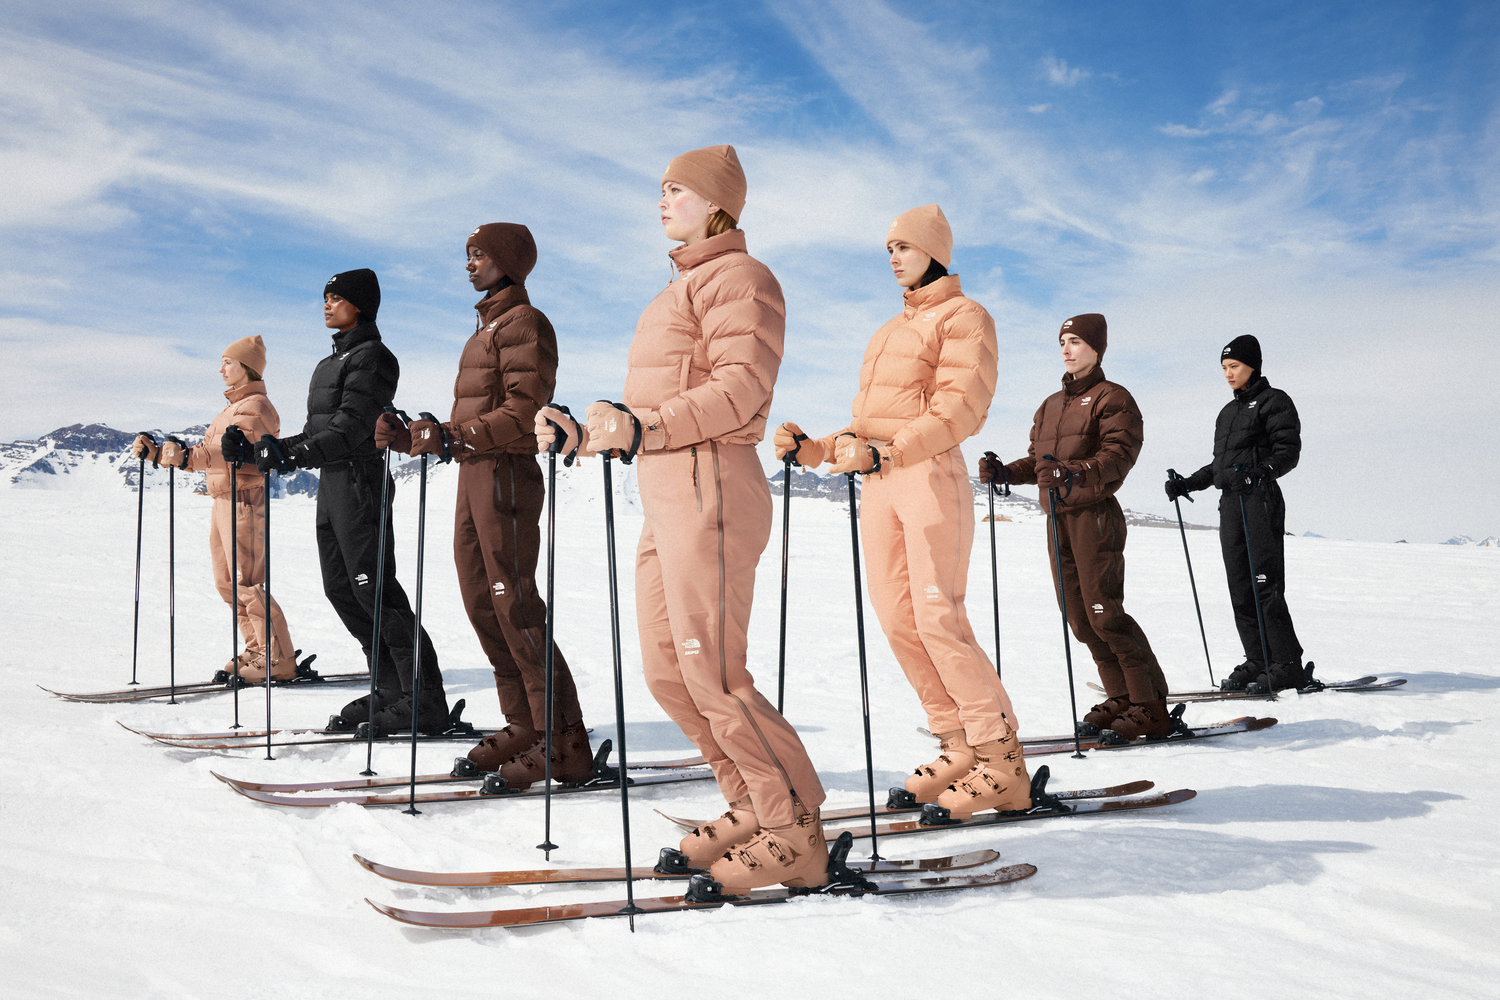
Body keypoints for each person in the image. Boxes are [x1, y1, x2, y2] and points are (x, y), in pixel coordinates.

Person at [535, 145, 829, 891]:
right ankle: (751, 805)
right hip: (666, 496)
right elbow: (656, 405)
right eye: (660, 188)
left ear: (717, 202)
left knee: (716, 675)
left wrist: (644, 428)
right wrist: (591, 430)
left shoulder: (741, 279)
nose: (661, 200)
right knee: (671, 674)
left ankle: (793, 826)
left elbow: (739, 388)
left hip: (714, 489)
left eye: (676, 190)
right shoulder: (676, 291)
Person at [776, 203, 1031, 819]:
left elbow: (960, 409)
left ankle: (1001, 760)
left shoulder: (966, 317)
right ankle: (957, 743)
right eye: (888, 249)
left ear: (936, 250)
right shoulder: (889, 330)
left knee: (938, 617)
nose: (893, 258)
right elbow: (868, 424)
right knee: (897, 618)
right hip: (883, 482)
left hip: (929, 474)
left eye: (904, 247)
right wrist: (816, 449)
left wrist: (885, 451)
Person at [374, 224, 591, 785]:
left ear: (510, 262)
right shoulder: (486, 327)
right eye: (468, 255)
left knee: (515, 605)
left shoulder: (525, 323)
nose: (469, 264)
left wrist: (456, 437)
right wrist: (422, 436)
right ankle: (522, 724)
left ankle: (561, 741)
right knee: (480, 601)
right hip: (475, 473)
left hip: (506, 474)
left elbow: (524, 410)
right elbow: (478, 415)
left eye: (480, 255)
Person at [256, 269, 450, 734]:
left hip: (362, 481)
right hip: (333, 483)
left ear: (360, 305)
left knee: (375, 589)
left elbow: (352, 426)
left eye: (336, 297)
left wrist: (294, 454)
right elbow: (325, 428)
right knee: (341, 588)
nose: (326, 304)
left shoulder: (374, 358)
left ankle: (423, 697)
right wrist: (274, 447)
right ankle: (388, 687)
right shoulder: (331, 363)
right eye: (324, 297)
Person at [984, 314, 1172, 740]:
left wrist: (1074, 472)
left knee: (1105, 614)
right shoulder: (1050, 405)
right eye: (1062, 341)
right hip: (1057, 520)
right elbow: (1039, 463)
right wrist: (1004, 473)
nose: (1067, 348)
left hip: (1095, 516)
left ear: (1096, 348)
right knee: (1080, 619)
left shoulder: (1114, 398)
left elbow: (1118, 455)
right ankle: (1122, 696)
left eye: (1075, 341)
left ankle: (1150, 704)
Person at [131, 336, 298, 682]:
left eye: (228, 362)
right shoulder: (230, 408)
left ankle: (278, 659)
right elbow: (210, 452)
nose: (221, 368)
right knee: (227, 583)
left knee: (247, 582)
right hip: (223, 499)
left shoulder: (257, 407)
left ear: (247, 366)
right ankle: (257, 651)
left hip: (245, 499)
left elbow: (237, 452)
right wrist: (162, 453)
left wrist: (189, 456)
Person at [1166, 334, 1304, 692]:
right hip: (1230, 505)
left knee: (1264, 584)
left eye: (1234, 367)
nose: (1228, 374)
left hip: (1260, 501)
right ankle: (1258, 660)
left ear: (1252, 366)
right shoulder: (1227, 413)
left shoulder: (1274, 402)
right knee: (1240, 587)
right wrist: (1187, 484)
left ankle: (1286, 663)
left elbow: (1288, 451)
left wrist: (1259, 474)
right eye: (1224, 368)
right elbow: (1220, 467)